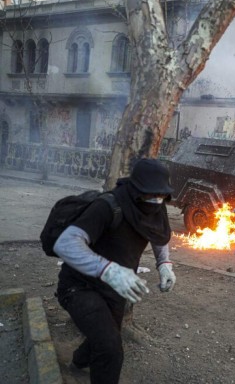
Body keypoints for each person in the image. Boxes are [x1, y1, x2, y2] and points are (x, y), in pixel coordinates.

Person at [54, 158, 176, 384]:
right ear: (136, 189)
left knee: (107, 333)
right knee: (111, 350)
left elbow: (158, 233)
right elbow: (65, 244)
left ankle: (77, 363)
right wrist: (109, 270)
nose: (156, 201)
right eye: (151, 195)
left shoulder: (156, 206)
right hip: (79, 287)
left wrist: (164, 264)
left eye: (161, 196)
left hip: (114, 291)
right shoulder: (109, 205)